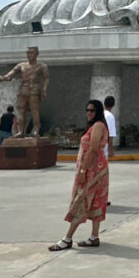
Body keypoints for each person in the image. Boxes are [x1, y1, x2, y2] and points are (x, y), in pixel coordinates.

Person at [48, 100, 109, 250]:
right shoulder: (94, 125)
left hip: (93, 170)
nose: (89, 113)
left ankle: (67, 238)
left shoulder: (98, 126)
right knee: (95, 201)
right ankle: (94, 237)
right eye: (87, 110)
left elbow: (94, 149)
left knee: (80, 201)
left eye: (92, 110)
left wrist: (83, 170)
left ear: (98, 112)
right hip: (97, 169)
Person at [0, 46, 50, 137]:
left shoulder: (42, 66)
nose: (29, 55)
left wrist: (44, 89)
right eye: (27, 53)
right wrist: (3, 77)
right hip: (23, 89)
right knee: (21, 111)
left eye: (31, 53)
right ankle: (21, 132)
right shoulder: (21, 65)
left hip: (34, 89)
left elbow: (46, 78)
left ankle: (36, 130)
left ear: (36, 54)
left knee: (34, 111)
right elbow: (11, 73)